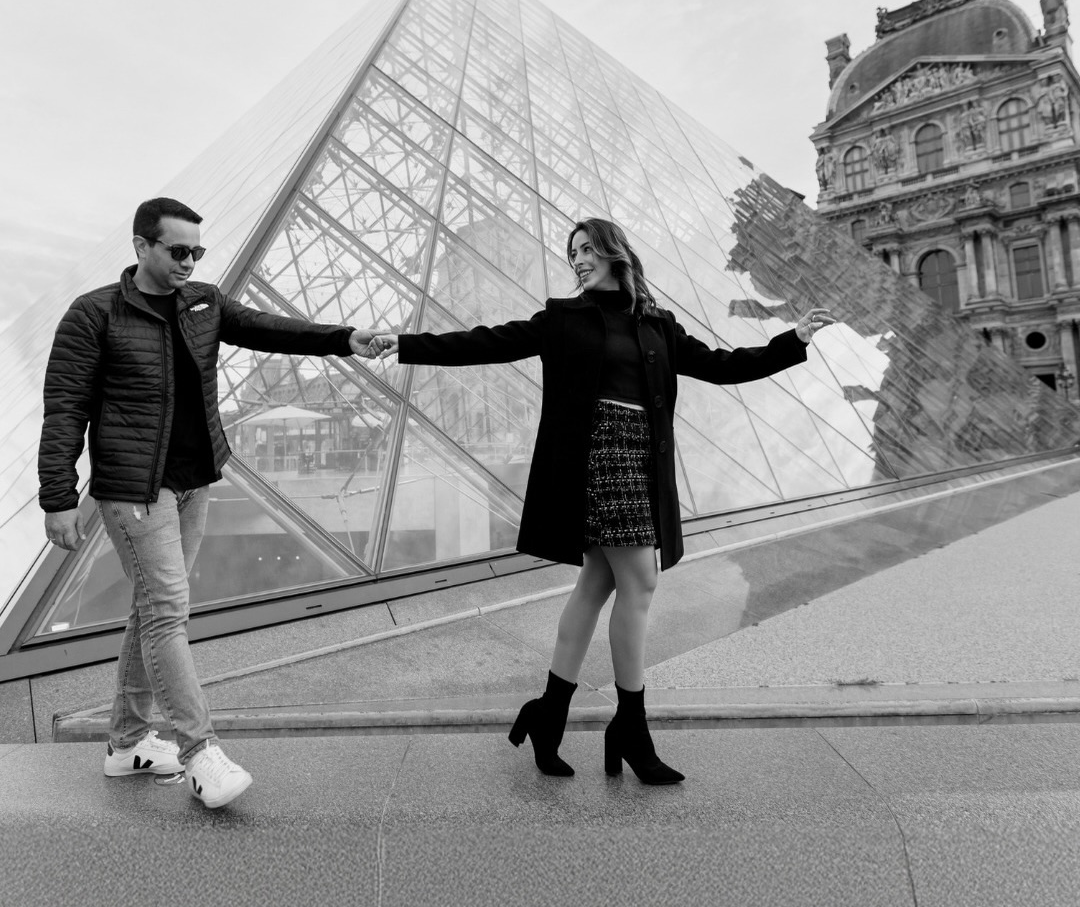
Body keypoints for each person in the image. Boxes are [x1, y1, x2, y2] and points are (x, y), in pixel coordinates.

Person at [367, 217, 834, 784]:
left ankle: (549, 714)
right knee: (640, 582)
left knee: (599, 583)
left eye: (587, 249)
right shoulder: (563, 319)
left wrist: (796, 341)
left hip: (640, 459)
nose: (579, 259)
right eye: (573, 253)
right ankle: (630, 729)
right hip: (598, 459)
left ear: (617, 253)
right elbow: (489, 341)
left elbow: (721, 366)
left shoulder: (658, 324)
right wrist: (405, 344)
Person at [38, 197, 382, 809]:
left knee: (153, 610)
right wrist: (57, 496)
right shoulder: (94, 314)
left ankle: (127, 743)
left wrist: (344, 338)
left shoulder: (204, 303)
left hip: (195, 481)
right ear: (142, 247)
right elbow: (66, 407)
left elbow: (267, 327)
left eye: (198, 251)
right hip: (135, 490)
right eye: (178, 251)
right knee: (168, 612)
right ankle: (199, 752)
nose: (190, 262)